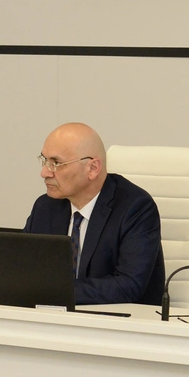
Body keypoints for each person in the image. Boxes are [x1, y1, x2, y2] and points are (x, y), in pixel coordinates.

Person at [24, 123, 165, 306]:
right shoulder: (46, 207)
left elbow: (128, 286)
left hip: (117, 319)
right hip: (55, 316)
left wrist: (52, 291)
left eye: (56, 163)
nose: (44, 172)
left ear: (92, 168)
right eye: (44, 161)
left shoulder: (135, 208)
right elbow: (24, 268)